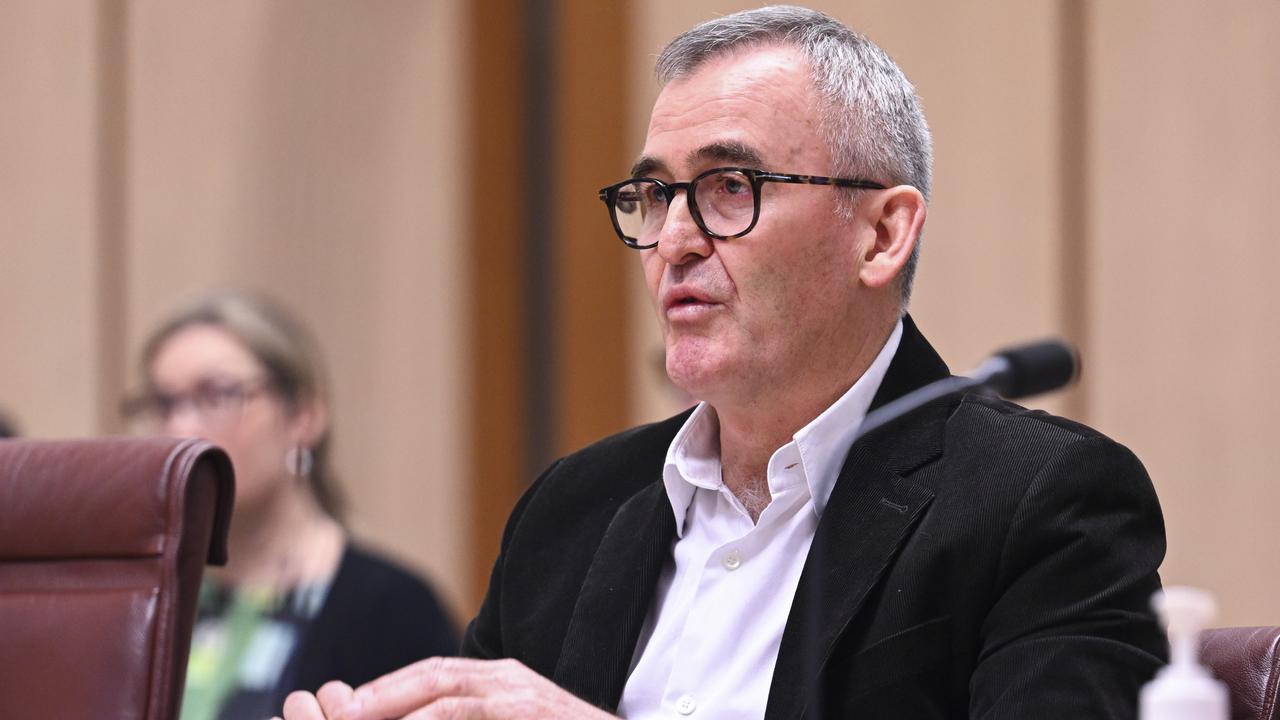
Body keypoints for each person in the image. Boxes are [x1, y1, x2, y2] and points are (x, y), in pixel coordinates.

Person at [282, 6, 1167, 719]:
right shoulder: (574, 509)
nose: (672, 240)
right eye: (653, 195)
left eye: (728, 188)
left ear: (883, 233)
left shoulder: (1038, 503)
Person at [123, 290, 459, 720]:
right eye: (163, 404)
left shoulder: (392, 607)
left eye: (218, 395)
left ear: (303, 416)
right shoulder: (142, 598)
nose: (181, 427)